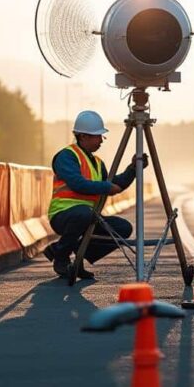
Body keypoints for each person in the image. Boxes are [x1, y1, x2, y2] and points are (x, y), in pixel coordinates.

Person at [43, 110, 146, 279]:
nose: (101, 141)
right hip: (63, 215)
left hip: (89, 217)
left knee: (122, 228)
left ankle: (76, 254)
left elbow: (114, 184)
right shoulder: (66, 156)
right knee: (84, 213)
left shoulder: (97, 163)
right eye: (97, 136)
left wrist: (133, 169)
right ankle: (61, 256)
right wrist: (106, 187)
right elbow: (78, 183)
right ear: (83, 136)